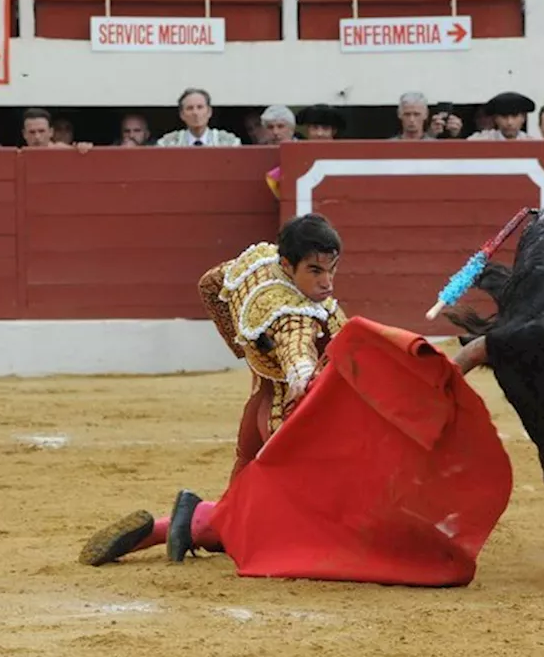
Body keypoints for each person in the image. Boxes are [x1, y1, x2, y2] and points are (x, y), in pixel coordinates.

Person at [78, 214, 346, 566]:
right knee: (292, 522)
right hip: (285, 415)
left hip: (258, 406)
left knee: (242, 494)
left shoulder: (260, 264)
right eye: (315, 271)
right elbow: (299, 362)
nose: (326, 282)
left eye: (332, 269)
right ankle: (187, 521)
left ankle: (165, 529)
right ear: (288, 264)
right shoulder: (295, 315)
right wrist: (304, 383)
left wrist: (243, 344)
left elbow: (211, 283)